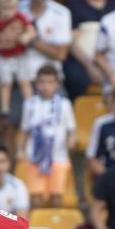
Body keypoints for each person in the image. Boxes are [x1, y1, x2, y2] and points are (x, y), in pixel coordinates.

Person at [18, 64, 75, 209]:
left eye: (50, 82)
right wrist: (20, 150)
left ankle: (54, 221)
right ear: (36, 84)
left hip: (58, 156)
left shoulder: (64, 104)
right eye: (42, 82)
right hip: (35, 156)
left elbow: (71, 130)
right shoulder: (30, 104)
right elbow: (25, 130)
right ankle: (36, 220)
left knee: (57, 194)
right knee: (35, 194)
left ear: (57, 84)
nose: (46, 86)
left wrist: (71, 142)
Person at [63, 0, 115, 102]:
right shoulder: (74, 6)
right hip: (82, 62)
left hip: (111, 61)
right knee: (74, 76)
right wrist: (90, 67)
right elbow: (71, 42)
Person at [0, 0, 36, 124]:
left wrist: (25, 37)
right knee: (5, 83)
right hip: (3, 57)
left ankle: (31, 106)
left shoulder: (20, 18)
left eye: (11, 8)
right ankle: (4, 110)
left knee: (24, 81)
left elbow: (31, 31)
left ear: (17, 7)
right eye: (4, 8)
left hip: (20, 56)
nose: (8, 12)